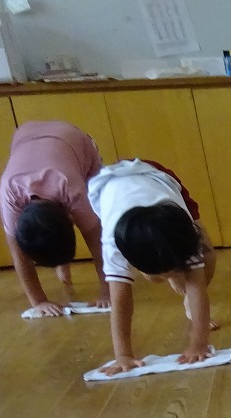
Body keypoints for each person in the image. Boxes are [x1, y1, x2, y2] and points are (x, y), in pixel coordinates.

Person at [88, 160, 218, 376]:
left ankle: (181, 289)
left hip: (159, 177)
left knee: (207, 255)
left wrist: (199, 344)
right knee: (159, 276)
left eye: (174, 269)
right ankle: (166, 273)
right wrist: (123, 355)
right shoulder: (113, 244)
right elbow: (120, 301)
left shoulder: (184, 231)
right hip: (112, 189)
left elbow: (197, 286)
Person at [0, 121, 105, 316]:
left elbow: (98, 243)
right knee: (44, 233)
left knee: (96, 210)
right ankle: (61, 263)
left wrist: (107, 292)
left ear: (70, 217)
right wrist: (39, 301)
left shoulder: (72, 189)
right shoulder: (9, 193)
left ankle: (63, 264)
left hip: (73, 139)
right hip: (26, 136)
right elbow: (18, 254)